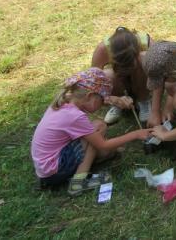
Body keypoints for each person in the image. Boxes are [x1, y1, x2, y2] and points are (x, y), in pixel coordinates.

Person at [31, 68, 151, 196]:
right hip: (55, 169)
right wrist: (136, 134)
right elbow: (102, 144)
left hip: (46, 168)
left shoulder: (66, 101)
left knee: (101, 135)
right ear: (89, 96)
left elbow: (93, 103)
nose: (102, 104)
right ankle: (77, 183)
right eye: (101, 99)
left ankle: (91, 161)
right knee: (98, 131)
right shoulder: (75, 116)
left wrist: (113, 100)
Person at [91, 27, 152, 124]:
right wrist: (111, 99)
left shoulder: (146, 43)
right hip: (118, 81)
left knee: (145, 58)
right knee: (106, 74)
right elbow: (94, 81)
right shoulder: (103, 49)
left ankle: (143, 100)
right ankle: (118, 103)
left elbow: (160, 74)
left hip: (141, 79)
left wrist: (157, 111)